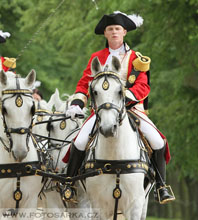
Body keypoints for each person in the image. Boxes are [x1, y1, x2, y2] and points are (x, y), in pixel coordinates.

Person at [63, 11, 175, 204]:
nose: (114, 32)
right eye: (110, 29)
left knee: (158, 141)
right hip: (101, 110)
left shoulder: (137, 58)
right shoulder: (96, 57)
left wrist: (127, 96)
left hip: (131, 109)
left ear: (124, 32)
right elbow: (84, 84)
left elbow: (143, 85)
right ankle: (70, 184)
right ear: (105, 34)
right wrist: (76, 103)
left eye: (117, 29)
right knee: (79, 141)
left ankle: (161, 186)